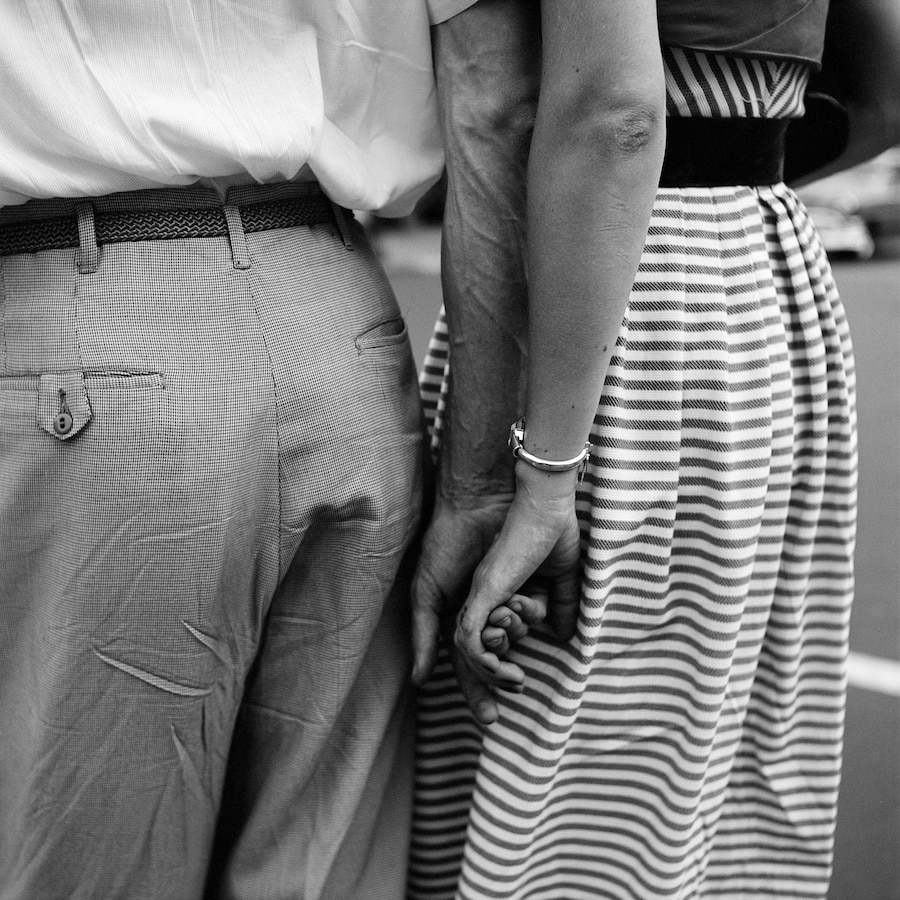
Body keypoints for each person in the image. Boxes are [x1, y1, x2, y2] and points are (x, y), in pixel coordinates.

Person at [409, 0, 900, 897]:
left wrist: (539, 477)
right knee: (693, 789)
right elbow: (887, 94)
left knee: (552, 800)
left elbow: (614, 114)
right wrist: (737, 167)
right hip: (761, 275)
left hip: (615, 289)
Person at [0, 4, 446, 899]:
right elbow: (502, 92)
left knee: (90, 863)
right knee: (318, 861)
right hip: (335, 311)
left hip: (98, 322)